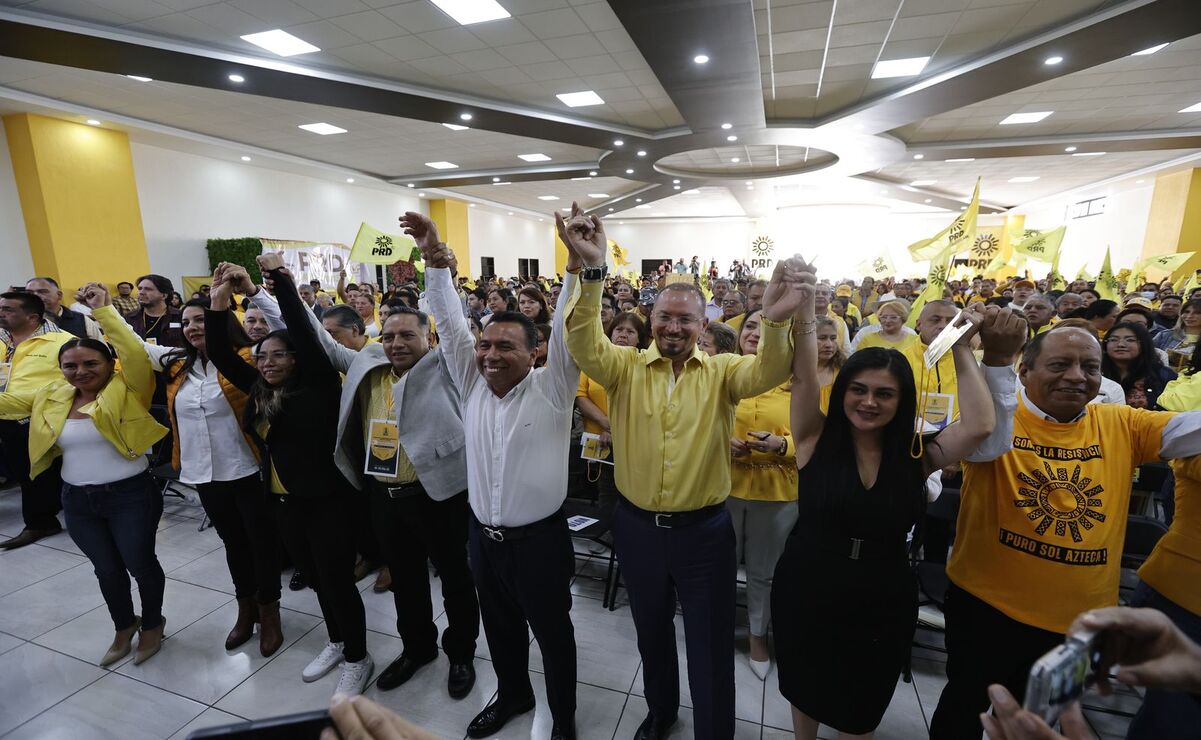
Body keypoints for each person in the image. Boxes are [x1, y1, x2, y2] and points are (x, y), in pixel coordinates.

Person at [562, 207, 803, 740]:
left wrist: (779, 318)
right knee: (650, 633)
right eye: (665, 317)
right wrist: (593, 270)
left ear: (702, 326)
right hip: (638, 527)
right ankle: (662, 711)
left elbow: (770, 369)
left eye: (686, 319)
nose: (673, 327)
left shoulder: (721, 373)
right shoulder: (623, 368)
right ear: (652, 320)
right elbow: (581, 342)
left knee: (710, 641)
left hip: (704, 533)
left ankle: (714, 731)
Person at [776, 255, 1022, 738]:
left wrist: (962, 348)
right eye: (859, 390)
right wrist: (805, 312)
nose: (869, 402)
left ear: (901, 401)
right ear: (843, 392)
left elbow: (981, 425)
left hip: (883, 590)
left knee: (865, 693)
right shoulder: (813, 440)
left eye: (884, 395)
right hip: (811, 578)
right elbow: (805, 377)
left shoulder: (918, 454)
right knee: (805, 678)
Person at [929, 320, 1201, 739]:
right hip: (987, 608)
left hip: (1079, 622)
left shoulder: (1121, 423)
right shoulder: (997, 416)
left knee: (1036, 724)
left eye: (1090, 367)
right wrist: (997, 360)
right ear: (1026, 373)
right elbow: (987, 443)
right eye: (1059, 364)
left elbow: (1190, 432)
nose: (1077, 376)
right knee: (965, 710)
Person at [260, 265, 482, 701]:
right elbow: (318, 339)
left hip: (439, 496)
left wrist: (436, 263)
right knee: (406, 579)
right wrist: (276, 291)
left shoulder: (451, 366)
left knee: (456, 580)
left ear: (428, 339)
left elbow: (456, 329)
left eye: (408, 336)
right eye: (391, 336)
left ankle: (461, 654)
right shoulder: (367, 363)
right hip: (385, 496)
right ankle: (418, 649)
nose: (397, 343)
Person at [409, 209, 580, 740]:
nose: (490, 354)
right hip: (483, 539)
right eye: (486, 346)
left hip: (540, 544)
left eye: (506, 346)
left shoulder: (554, 389)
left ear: (535, 353)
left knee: (553, 636)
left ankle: (562, 719)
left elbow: (571, 326)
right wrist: (435, 259)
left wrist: (575, 262)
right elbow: (450, 322)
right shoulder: (471, 383)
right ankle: (513, 695)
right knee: (501, 629)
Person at [205, 258, 373, 698]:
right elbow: (222, 352)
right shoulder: (262, 386)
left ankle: (358, 657)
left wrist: (277, 280)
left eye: (279, 354)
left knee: (336, 580)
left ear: (297, 358)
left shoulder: (318, 383)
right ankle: (337, 641)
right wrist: (218, 305)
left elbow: (300, 326)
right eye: (262, 355)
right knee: (315, 578)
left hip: (327, 501)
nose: (268, 361)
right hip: (283, 502)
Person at [0, 282, 169, 666]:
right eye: (71, 366)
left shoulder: (129, 389)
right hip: (78, 501)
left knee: (140, 565)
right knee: (106, 570)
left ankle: (154, 625)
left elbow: (134, 352)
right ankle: (124, 626)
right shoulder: (53, 394)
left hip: (130, 495)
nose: (80, 372)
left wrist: (105, 311)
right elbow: (10, 403)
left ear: (110, 365)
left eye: (91, 364)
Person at [139, 291, 284, 656]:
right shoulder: (178, 366)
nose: (192, 327)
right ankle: (245, 608)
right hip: (204, 473)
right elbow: (135, 348)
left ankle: (269, 612)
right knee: (233, 543)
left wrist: (256, 293)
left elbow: (290, 337)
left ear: (221, 321)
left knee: (261, 543)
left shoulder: (249, 358)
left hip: (247, 468)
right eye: (186, 322)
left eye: (201, 319)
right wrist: (104, 311)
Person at [726, 309, 796, 681]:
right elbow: (697, 423)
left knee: (763, 573)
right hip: (724, 488)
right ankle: (718, 630)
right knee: (720, 567)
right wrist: (722, 441)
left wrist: (784, 445)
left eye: (767, 328)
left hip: (779, 492)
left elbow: (819, 439)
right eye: (750, 326)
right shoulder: (722, 373)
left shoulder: (800, 382)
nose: (755, 333)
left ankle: (757, 637)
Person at [0, 291, 72, 549]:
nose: (1, 312)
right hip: (4, 419)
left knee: (40, 474)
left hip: (37, 419)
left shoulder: (61, 341)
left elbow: (64, 386)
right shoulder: (1, 340)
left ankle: (40, 522)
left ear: (32, 316)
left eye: (8, 309)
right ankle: (44, 517)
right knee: (22, 475)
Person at [1102, 322, 1176, 410]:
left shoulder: (1163, 375)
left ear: (1144, 344)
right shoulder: (1094, 373)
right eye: (1114, 340)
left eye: (1130, 340)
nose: (1120, 344)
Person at [25, 277, 103, 340]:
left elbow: (101, 350)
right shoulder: (20, 322)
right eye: (29, 293)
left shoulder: (81, 320)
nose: (35, 296)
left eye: (42, 292)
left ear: (59, 295)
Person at [126, 274, 184, 347]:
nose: (141, 292)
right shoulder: (130, 318)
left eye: (148, 289)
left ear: (164, 295)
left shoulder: (180, 316)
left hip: (174, 357)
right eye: (140, 288)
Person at [850, 300, 915, 352]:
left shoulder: (915, 340)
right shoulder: (867, 338)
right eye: (884, 317)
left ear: (903, 319)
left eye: (893, 317)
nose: (887, 321)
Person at [814, 316, 845, 414]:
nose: (829, 345)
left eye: (833, 338)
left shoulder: (844, 371)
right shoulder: (789, 372)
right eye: (822, 338)